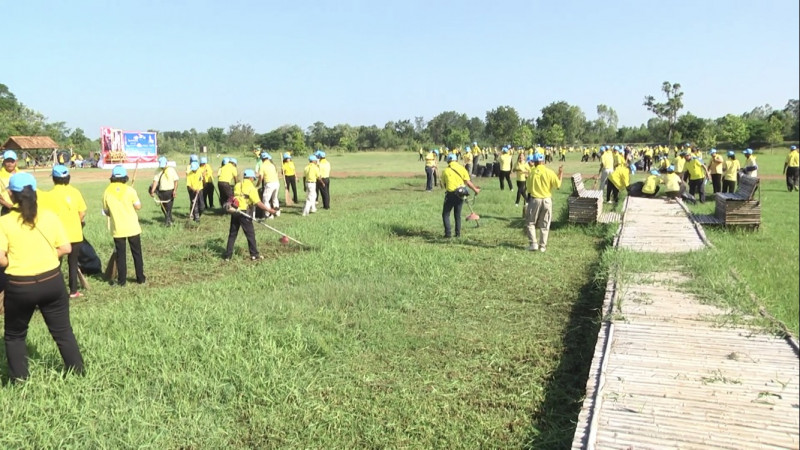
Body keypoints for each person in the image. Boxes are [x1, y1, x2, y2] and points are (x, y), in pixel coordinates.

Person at [0, 172, 84, 382]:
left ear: (11, 194)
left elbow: (1, 259)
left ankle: (20, 381)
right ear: (35, 192)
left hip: (20, 286)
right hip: (52, 282)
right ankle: (78, 373)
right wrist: (46, 257)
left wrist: (16, 262)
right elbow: (65, 247)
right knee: (63, 332)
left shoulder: (4, 222)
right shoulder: (49, 216)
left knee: (15, 335)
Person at [38, 165, 87, 298]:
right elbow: (82, 212)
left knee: (55, 264)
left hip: (57, 236)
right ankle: (73, 291)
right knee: (73, 263)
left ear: (54, 179)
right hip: (76, 234)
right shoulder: (76, 192)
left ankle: (53, 290)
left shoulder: (49, 195)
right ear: (68, 178)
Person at [103, 165, 145, 286]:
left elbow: (106, 211)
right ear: (125, 177)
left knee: (121, 255)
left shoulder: (107, 191)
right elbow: (138, 206)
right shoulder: (130, 191)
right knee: (137, 253)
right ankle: (140, 278)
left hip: (118, 229)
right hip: (133, 227)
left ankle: (122, 281)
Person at [222, 169, 277, 261]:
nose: (253, 180)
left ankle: (228, 256)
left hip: (235, 211)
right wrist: (269, 210)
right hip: (244, 213)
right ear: (251, 178)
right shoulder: (251, 188)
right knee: (250, 234)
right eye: (253, 179)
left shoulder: (237, 185)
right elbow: (258, 203)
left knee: (232, 234)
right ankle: (254, 255)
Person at [525, 153, 563, 252]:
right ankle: (542, 246)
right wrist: (560, 173)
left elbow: (528, 189)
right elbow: (558, 185)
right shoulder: (549, 172)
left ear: (535, 161)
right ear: (543, 161)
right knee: (545, 223)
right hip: (547, 200)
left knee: (531, 222)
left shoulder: (532, 173)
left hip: (535, 200)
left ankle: (533, 244)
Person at [441, 153, 480, 238]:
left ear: (448, 161)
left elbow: (444, 184)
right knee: (457, 214)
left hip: (450, 194)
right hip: (461, 194)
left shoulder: (445, 171)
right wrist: (475, 189)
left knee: (446, 214)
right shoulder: (462, 168)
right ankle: (458, 234)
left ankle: (448, 234)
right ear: (456, 160)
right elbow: (468, 182)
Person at [149, 156, 179, 226]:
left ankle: (167, 222)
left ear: (166, 163)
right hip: (161, 192)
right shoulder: (158, 170)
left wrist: (175, 190)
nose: (162, 167)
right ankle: (169, 220)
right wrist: (152, 191)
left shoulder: (171, 170)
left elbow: (176, 181)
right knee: (163, 208)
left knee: (169, 207)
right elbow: (155, 181)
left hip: (170, 191)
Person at [257, 152, 280, 218]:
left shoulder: (263, 166)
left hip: (269, 184)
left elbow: (261, 177)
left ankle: (268, 214)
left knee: (265, 200)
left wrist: (257, 185)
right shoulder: (272, 165)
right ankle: (277, 213)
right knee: (275, 199)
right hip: (277, 183)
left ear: (262, 159)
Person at [0, 150, 23, 215]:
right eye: (7, 161)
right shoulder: (0, 176)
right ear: (4, 162)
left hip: (22, 208)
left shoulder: (21, 174)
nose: (10, 163)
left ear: (16, 162)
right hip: (7, 210)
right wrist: (10, 207)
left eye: (12, 161)